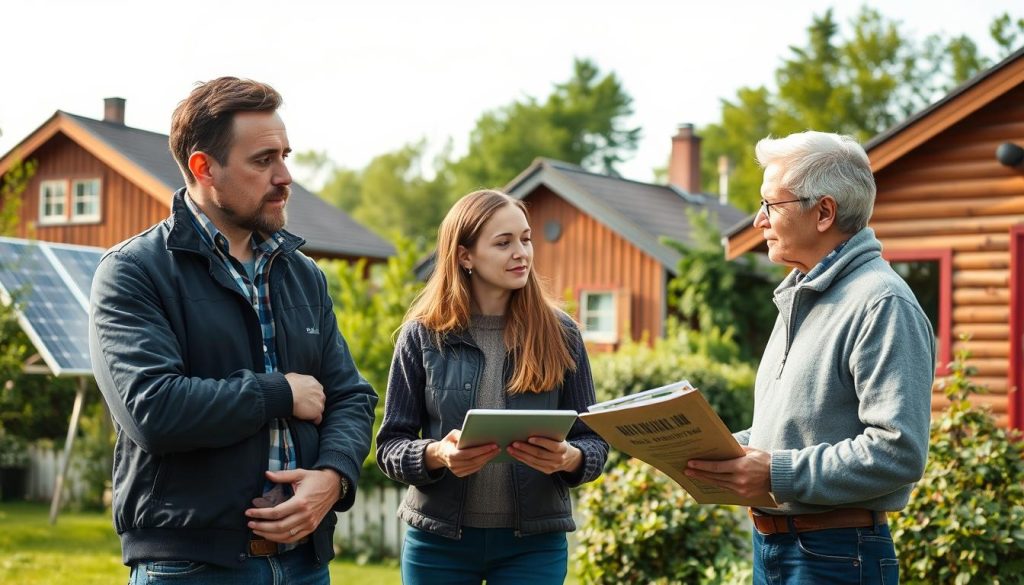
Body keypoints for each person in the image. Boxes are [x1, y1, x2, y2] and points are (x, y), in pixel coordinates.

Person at [88, 77, 377, 585]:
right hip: (188, 567)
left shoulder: (302, 272)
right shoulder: (134, 271)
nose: (285, 176)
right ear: (204, 167)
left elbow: (350, 395)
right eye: (263, 160)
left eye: (286, 155)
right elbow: (154, 410)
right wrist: (280, 392)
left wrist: (332, 477)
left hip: (305, 564)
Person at [685, 131, 934, 584]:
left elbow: (899, 452)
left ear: (824, 212)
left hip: (835, 556)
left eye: (771, 204)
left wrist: (776, 472)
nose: (759, 220)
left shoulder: (882, 303)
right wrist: (713, 448)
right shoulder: (800, 296)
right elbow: (797, 429)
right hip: (776, 547)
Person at [376, 189, 608, 585]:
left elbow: (595, 443)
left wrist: (569, 458)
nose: (521, 252)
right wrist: (436, 454)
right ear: (465, 255)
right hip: (438, 543)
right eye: (503, 243)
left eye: (526, 238)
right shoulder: (421, 336)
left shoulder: (562, 333)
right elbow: (390, 446)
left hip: (533, 545)